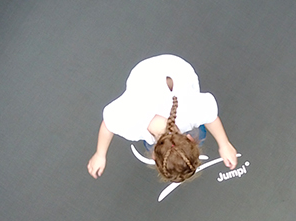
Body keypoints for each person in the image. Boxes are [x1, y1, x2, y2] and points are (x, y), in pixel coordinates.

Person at [87, 54, 237, 181]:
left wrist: (224, 144)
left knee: (201, 123)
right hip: (152, 72)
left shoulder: (192, 110)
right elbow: (108, 125)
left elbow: (210, 116)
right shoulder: (130, 123)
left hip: (176, 69)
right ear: (153, 155)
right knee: (201, 121)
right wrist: (100, 155)